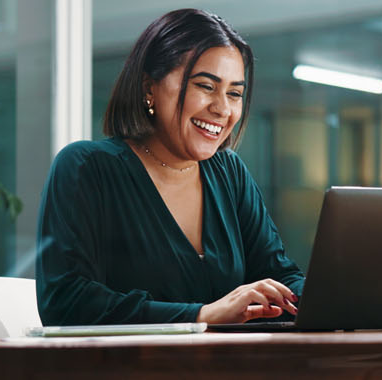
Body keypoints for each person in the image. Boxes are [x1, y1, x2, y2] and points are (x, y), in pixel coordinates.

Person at [35, 8, 304, 326]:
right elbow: (65, 301)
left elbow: (278, 274)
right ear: (150, 88)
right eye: (205, 86)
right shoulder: (86, 167)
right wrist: (200, 316)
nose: (222, 108)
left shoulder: (229, 172)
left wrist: (334, 299)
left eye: (234, 93)